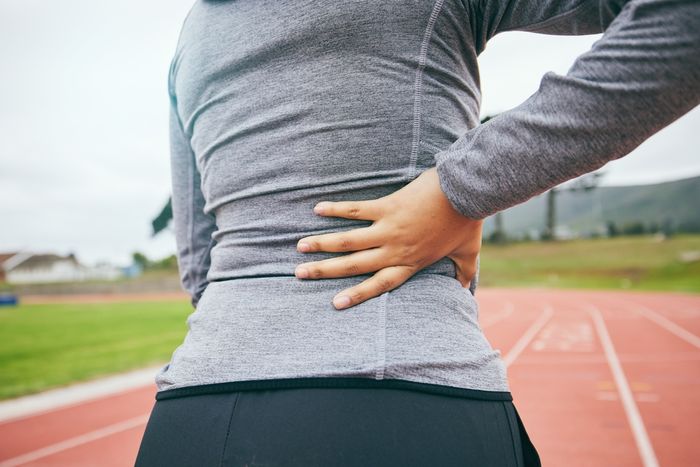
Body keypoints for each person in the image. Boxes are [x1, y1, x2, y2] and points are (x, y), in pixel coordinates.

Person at [135, 0, 699, 465]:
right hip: (404, 400)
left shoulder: (194, 31)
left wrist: (455, 195)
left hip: (193, 413)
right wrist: (459, 192)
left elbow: (198, 259)